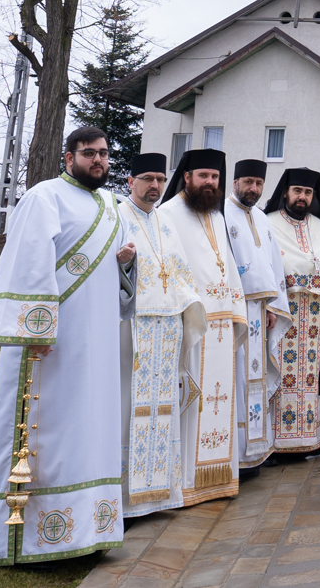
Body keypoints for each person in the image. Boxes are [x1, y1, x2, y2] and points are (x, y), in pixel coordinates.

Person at [0, 126, 132, 565]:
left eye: (104, 154)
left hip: (97, 342)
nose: (99, 161)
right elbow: (28, 262)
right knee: (45, 429)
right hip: (52, 344)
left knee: (91, 427)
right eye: (89, 153)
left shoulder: (112, 204)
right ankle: (33, 538)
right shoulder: (44, 197)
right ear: (68, 157)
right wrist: (35, 331)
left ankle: (86, 530)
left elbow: (118, 279)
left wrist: (127, 265)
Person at [155, 148, 247, 508]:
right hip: (193, 322)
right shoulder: (167, 214)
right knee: (191, 402)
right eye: (203, 177)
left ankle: (219, 476)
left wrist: (236, 307)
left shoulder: (217, 215)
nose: (210, 183)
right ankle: (187, 482)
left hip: (223, 324)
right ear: (187, 177)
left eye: (215, 178)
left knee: (220, 398)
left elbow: (227, 263)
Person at [116, 151, 204, 517]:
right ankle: (124, 499)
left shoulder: (165, 221)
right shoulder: (117, 216)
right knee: (127, 409)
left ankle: (160, 494)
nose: (155, 186)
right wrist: (120, 263)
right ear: (130, 182)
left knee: (161, 411)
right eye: (147, 178)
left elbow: (180, 271)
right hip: (131, 327)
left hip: (167, 329)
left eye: (160, 179)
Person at [263, 168, 320, 458]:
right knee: (281, 374)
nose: (302, 197)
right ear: (286, 192)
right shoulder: (268, 224)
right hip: (281, 314)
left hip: (314, 317)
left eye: (308, 192)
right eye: (297, 191)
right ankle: (277, 443)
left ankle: (309, 438)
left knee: (309, 378)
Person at [229, 159, 290, 468]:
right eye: (248, 182)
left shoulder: (262, 219)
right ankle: (238, 455)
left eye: (258, 184)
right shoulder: (222, 215)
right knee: (238, 382)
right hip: (235, 314)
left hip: (260, 312)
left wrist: (274, 305)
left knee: (256, 378)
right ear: (235, 182)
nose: (253, 189)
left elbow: (271, 265)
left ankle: (256, 451)